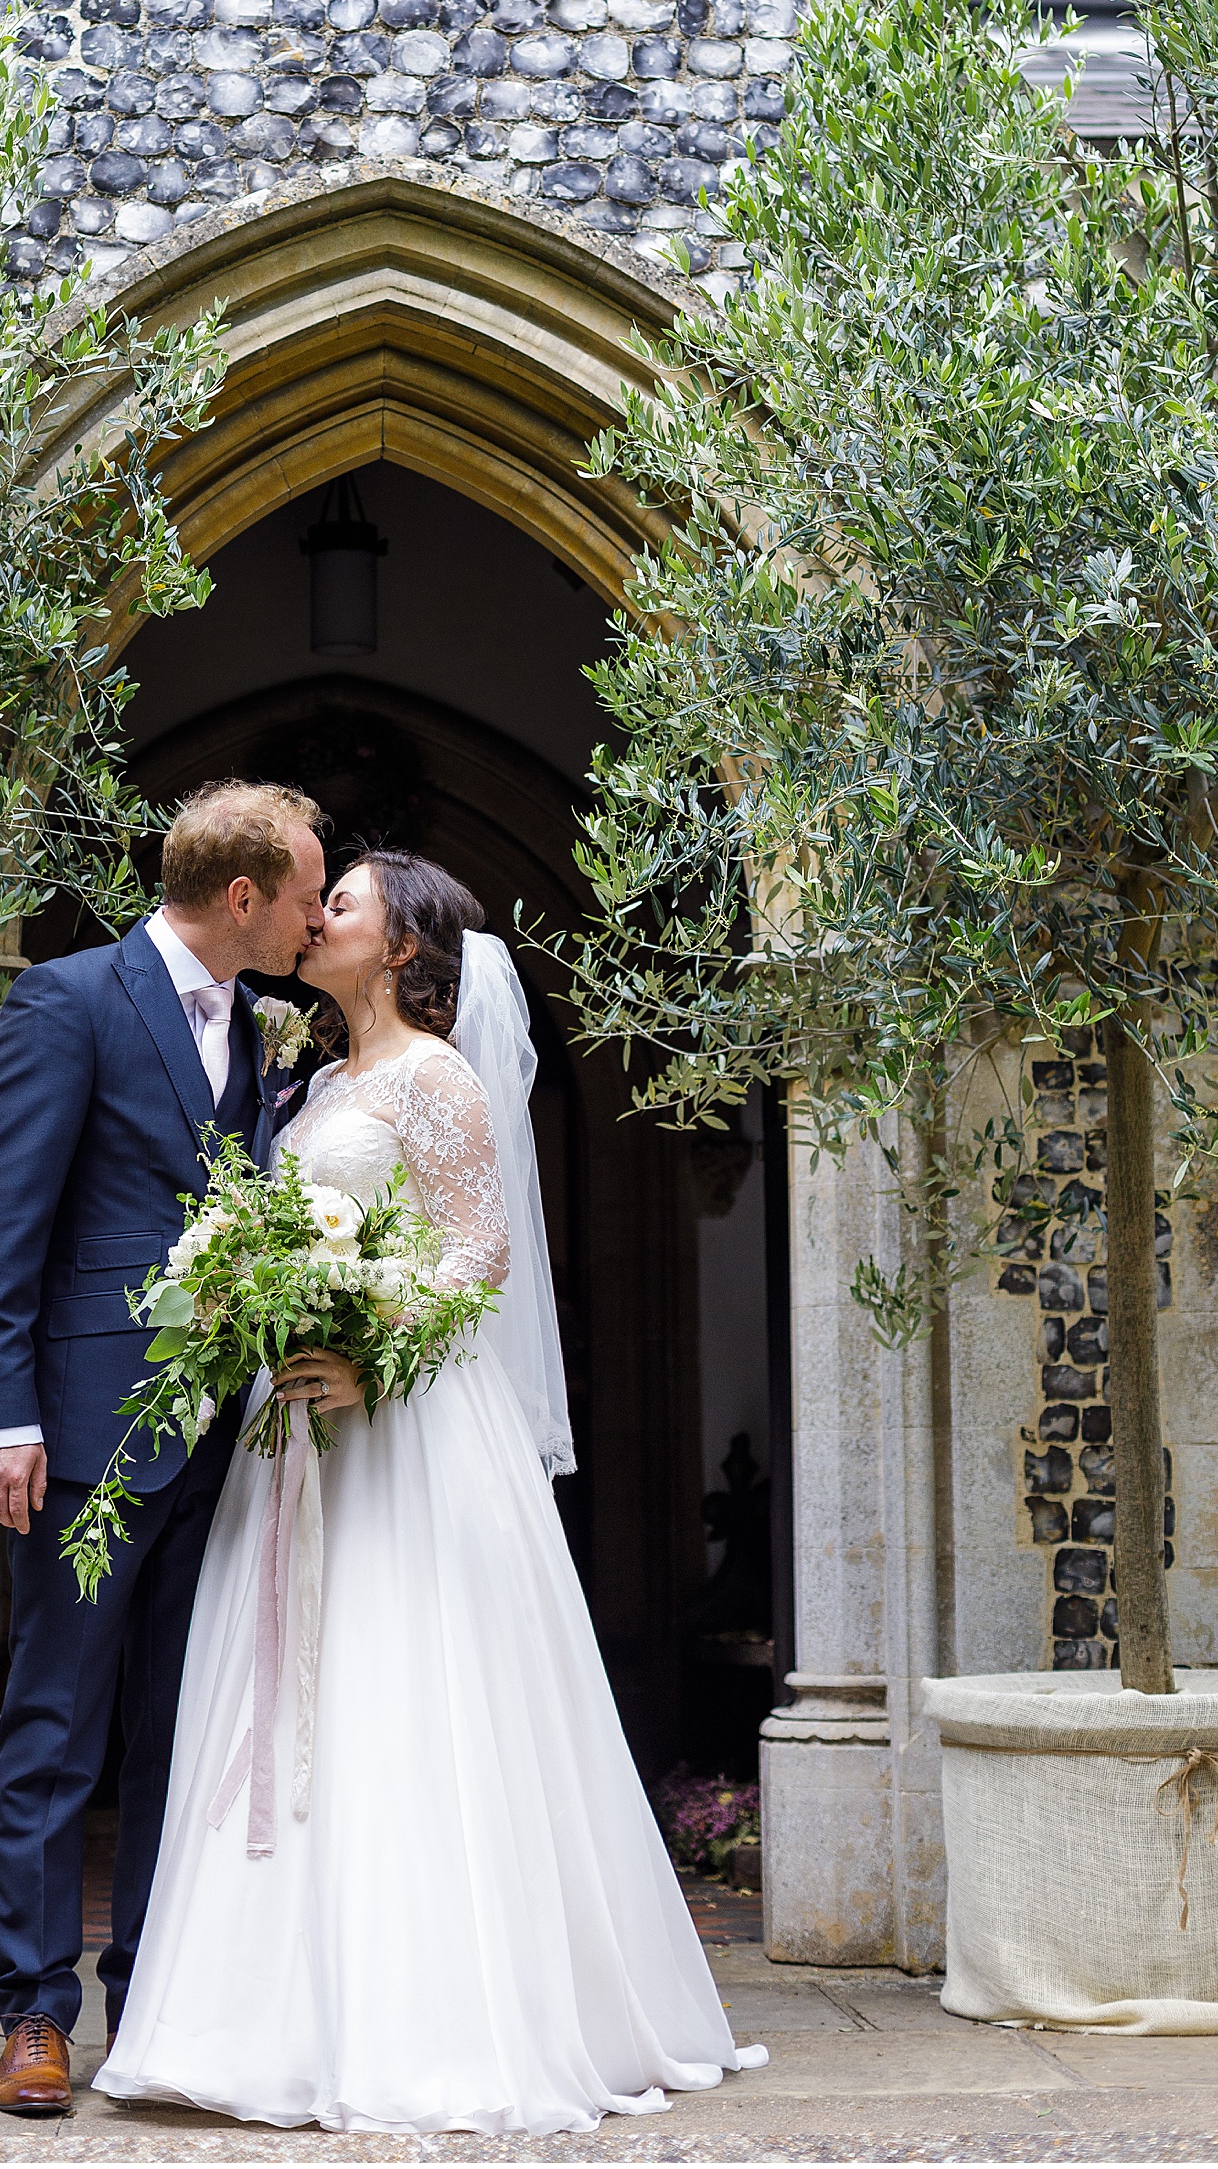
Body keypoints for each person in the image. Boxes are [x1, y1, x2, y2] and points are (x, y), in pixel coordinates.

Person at [92, 851, 768, 2135]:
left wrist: (370, 1344)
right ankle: (250, 2023)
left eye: (338, 901)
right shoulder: (310, 1078)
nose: (315, 915)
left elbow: (480, 1245)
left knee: (404, 1694)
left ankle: (429, 2021)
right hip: (292, 1432)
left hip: (400, 1427)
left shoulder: (434, 1077)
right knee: (283, 1702)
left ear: (402, 947)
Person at [0, 779, 328, 2118]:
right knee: (59, 1721)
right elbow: (5, 1215)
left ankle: (155, 1996)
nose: (315, 915)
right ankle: (34, 2015)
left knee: (183, 1728)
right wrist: (0, 1417)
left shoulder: (266, 1031)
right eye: (303, 894)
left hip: (230, 1436)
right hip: (92, 1437)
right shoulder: (70, 1000)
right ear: (242, 897)